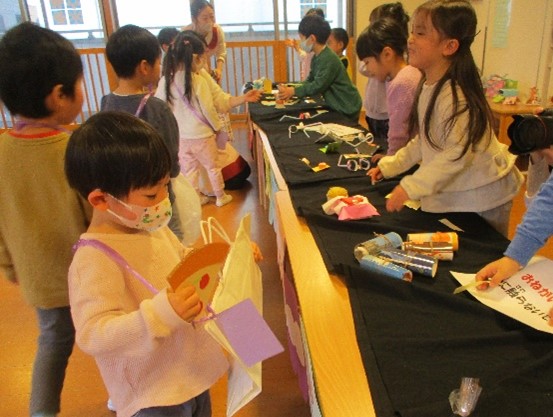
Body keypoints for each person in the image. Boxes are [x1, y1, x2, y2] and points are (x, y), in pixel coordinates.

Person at [65, 111, 228, 417]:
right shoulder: (93, 259)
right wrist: (161, 314)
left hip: (189, 373)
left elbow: (181, 261)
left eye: (166, 186)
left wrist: (225, 259)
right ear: (101, 200)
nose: (164, 199)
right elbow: (93, 334)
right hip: (153, 393)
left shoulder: (149, 226)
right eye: (152, 194)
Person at [367, 0, 523, 237]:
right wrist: (390, 166)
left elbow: (455, 155)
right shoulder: (429, 85)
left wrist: (410, 187)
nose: (410, 40)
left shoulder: (455, 95)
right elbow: (424, 140)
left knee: (482, 252)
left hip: (483, 197)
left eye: (420, 33)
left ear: (449, 46)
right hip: (463, 194)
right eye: (412, 31)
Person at [0, 22, 90, 417]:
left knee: (52, 344)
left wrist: (9, 266)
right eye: (79, 83)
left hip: (38, 279)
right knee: (109, 333)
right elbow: (96, 217)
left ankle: (41, 413)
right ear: (59, 96)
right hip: (87, 276)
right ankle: (123, 394)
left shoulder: (1, 152)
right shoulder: (74, 151)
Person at [155, 30, 261, 207]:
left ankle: (195, 199)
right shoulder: (198, 81)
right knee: (214, 167)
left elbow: (160, 109)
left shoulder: (165, 81)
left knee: (190, 170)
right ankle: (220, 196)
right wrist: (217, 127)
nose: (205, 61)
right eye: (203, 57)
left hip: (182, 138)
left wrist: (243, 98)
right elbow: (209, 109)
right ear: (195, 57)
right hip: (203, 136)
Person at [101, 24, 184, 240]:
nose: (160, 67)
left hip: (121, 201)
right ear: (144, 67)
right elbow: (171, 161)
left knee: (136, 242)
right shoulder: (157, 109)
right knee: (173, 240)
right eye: (158, 62)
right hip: (155, 197)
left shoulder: (105, 103)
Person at [356, 17, 422, 160]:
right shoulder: (405, 75)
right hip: (411, 155)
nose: (367, 69)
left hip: (412, 159)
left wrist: (390, 161)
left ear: (387, 54)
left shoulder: (402, 82)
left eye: (367, 62)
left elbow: (399, 133)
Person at [277, 14, 362, 122]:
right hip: (338, 104)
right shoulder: (317, 56)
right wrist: (292, 88)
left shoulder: (329, 58)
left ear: (312, 38)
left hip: (347, 104)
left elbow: (318, 85)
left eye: (302, 38)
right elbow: (310, 80)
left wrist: (294, 91)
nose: (301, 43)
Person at [360, 2, 410, 146]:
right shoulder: (377, 57)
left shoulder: (402, 73)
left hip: (387, 114)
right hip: (373, 111)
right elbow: (362, 67)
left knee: (389, 143)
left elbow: (400, 135)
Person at [184, 0, 226, 83]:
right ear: (194, 19)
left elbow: (221, 52)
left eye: (212, 16)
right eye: (205, 18)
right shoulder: (186, 33)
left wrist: (219, 70)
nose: (210, 21)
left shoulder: (217, 31)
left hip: (204, 67)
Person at [285, 7, 325, 81]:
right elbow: (304, 57)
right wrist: (296, 47)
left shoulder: (322, 47)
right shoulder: (311, 44)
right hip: (308, 82)